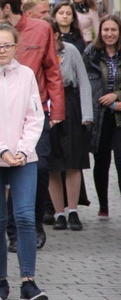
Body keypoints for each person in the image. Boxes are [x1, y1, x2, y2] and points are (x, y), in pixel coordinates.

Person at [0, 23, 48, 300]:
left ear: (16, 47)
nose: (2, 51)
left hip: (24, 159)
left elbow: (35, 117)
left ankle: (28, 281)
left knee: (25, 217)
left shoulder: (26, 75)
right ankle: (1, 282)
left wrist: (23, 151)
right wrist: (1, 150)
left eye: (7, 45)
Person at [0, 0, 64, 249]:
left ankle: (33, 222)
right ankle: (14, 229)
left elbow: (52, 70)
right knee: (6, 168)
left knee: (40, 166)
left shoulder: (41, 29)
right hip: (2, 113)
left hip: (35, 110)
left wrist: (57, 110)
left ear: (6, 8)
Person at [44, 18, 93, 232]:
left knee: (73, 160)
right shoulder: (39, 53)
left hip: (70, 103)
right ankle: (59, 212)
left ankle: (73, 210)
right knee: (53, 162)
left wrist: (87, 114)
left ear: (55, 34)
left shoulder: (71, 50)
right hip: (48, 105)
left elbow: (83, 81)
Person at [83, 14, 121, 221]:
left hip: (119, 114)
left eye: (113, 30)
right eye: (106, 30)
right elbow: (84, 83)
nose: (109, 34)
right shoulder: (91, 53)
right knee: (102, 160)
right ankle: (103, 204)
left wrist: (116, 96)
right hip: (100, 115)